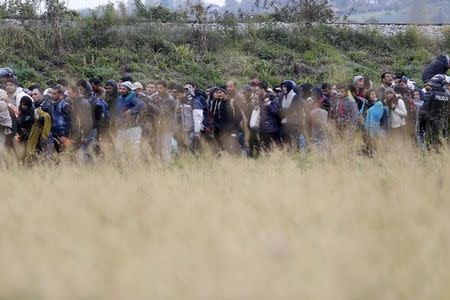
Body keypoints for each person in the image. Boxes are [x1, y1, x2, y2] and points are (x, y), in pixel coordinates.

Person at [418, 74, 449, 152]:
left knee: (430, 149)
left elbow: (423, 112)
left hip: (431, 126)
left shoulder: (429, 94)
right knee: (442, 148)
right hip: (444, 126)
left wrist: (421, 125)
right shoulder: (448, 96)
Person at [114, 81, 145, 154]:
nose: (121, 90)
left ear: (129, 90)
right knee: (119, 149)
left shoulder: (133, 98)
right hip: (121, 127)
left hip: (133, 128)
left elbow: (141, 104)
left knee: (134, 149)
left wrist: (131, 111)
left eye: (123, 89)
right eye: (120, 89)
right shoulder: (119, 98)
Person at [150, 80, 177, 161]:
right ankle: (159, 168)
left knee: (165, 148)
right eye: (157, 88)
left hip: (168, 126)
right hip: (158, 127)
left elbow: (162, 112)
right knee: (157, 148)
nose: (158, 90)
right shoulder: (155, 97)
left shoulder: (170, 99)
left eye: (160, 88)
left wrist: (150, 105)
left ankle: (167, 167)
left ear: (165, 88)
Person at [256, 81, 281, 152]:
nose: (256, 92)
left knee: (273, 150)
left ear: (263, 89)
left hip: (271, 129)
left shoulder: (272, 97)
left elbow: (276, 112)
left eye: (257, 90)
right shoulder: (259, 99)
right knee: (264, 150)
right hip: (262, 128)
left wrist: (269, 105)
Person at [279, 80, 303, 151]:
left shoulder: (296, 97)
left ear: (289, 87)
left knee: (294, 144)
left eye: (284, 87)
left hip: (294, 124)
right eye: (282, 87)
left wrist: (284, 111)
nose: (283, 88)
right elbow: (279, 110)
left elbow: (292, 110)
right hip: (284, 124)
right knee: (286, 146)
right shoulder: (283, 97)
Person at [52, 85, 72, 152]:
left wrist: (66, 135)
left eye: (55, 93)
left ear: (60, 94)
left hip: (64, 134)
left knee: (66, 153)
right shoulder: (53, 104)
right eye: (52, 93)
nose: (52, 95)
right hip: (55, 133)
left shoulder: (65, 105)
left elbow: (71, 119)